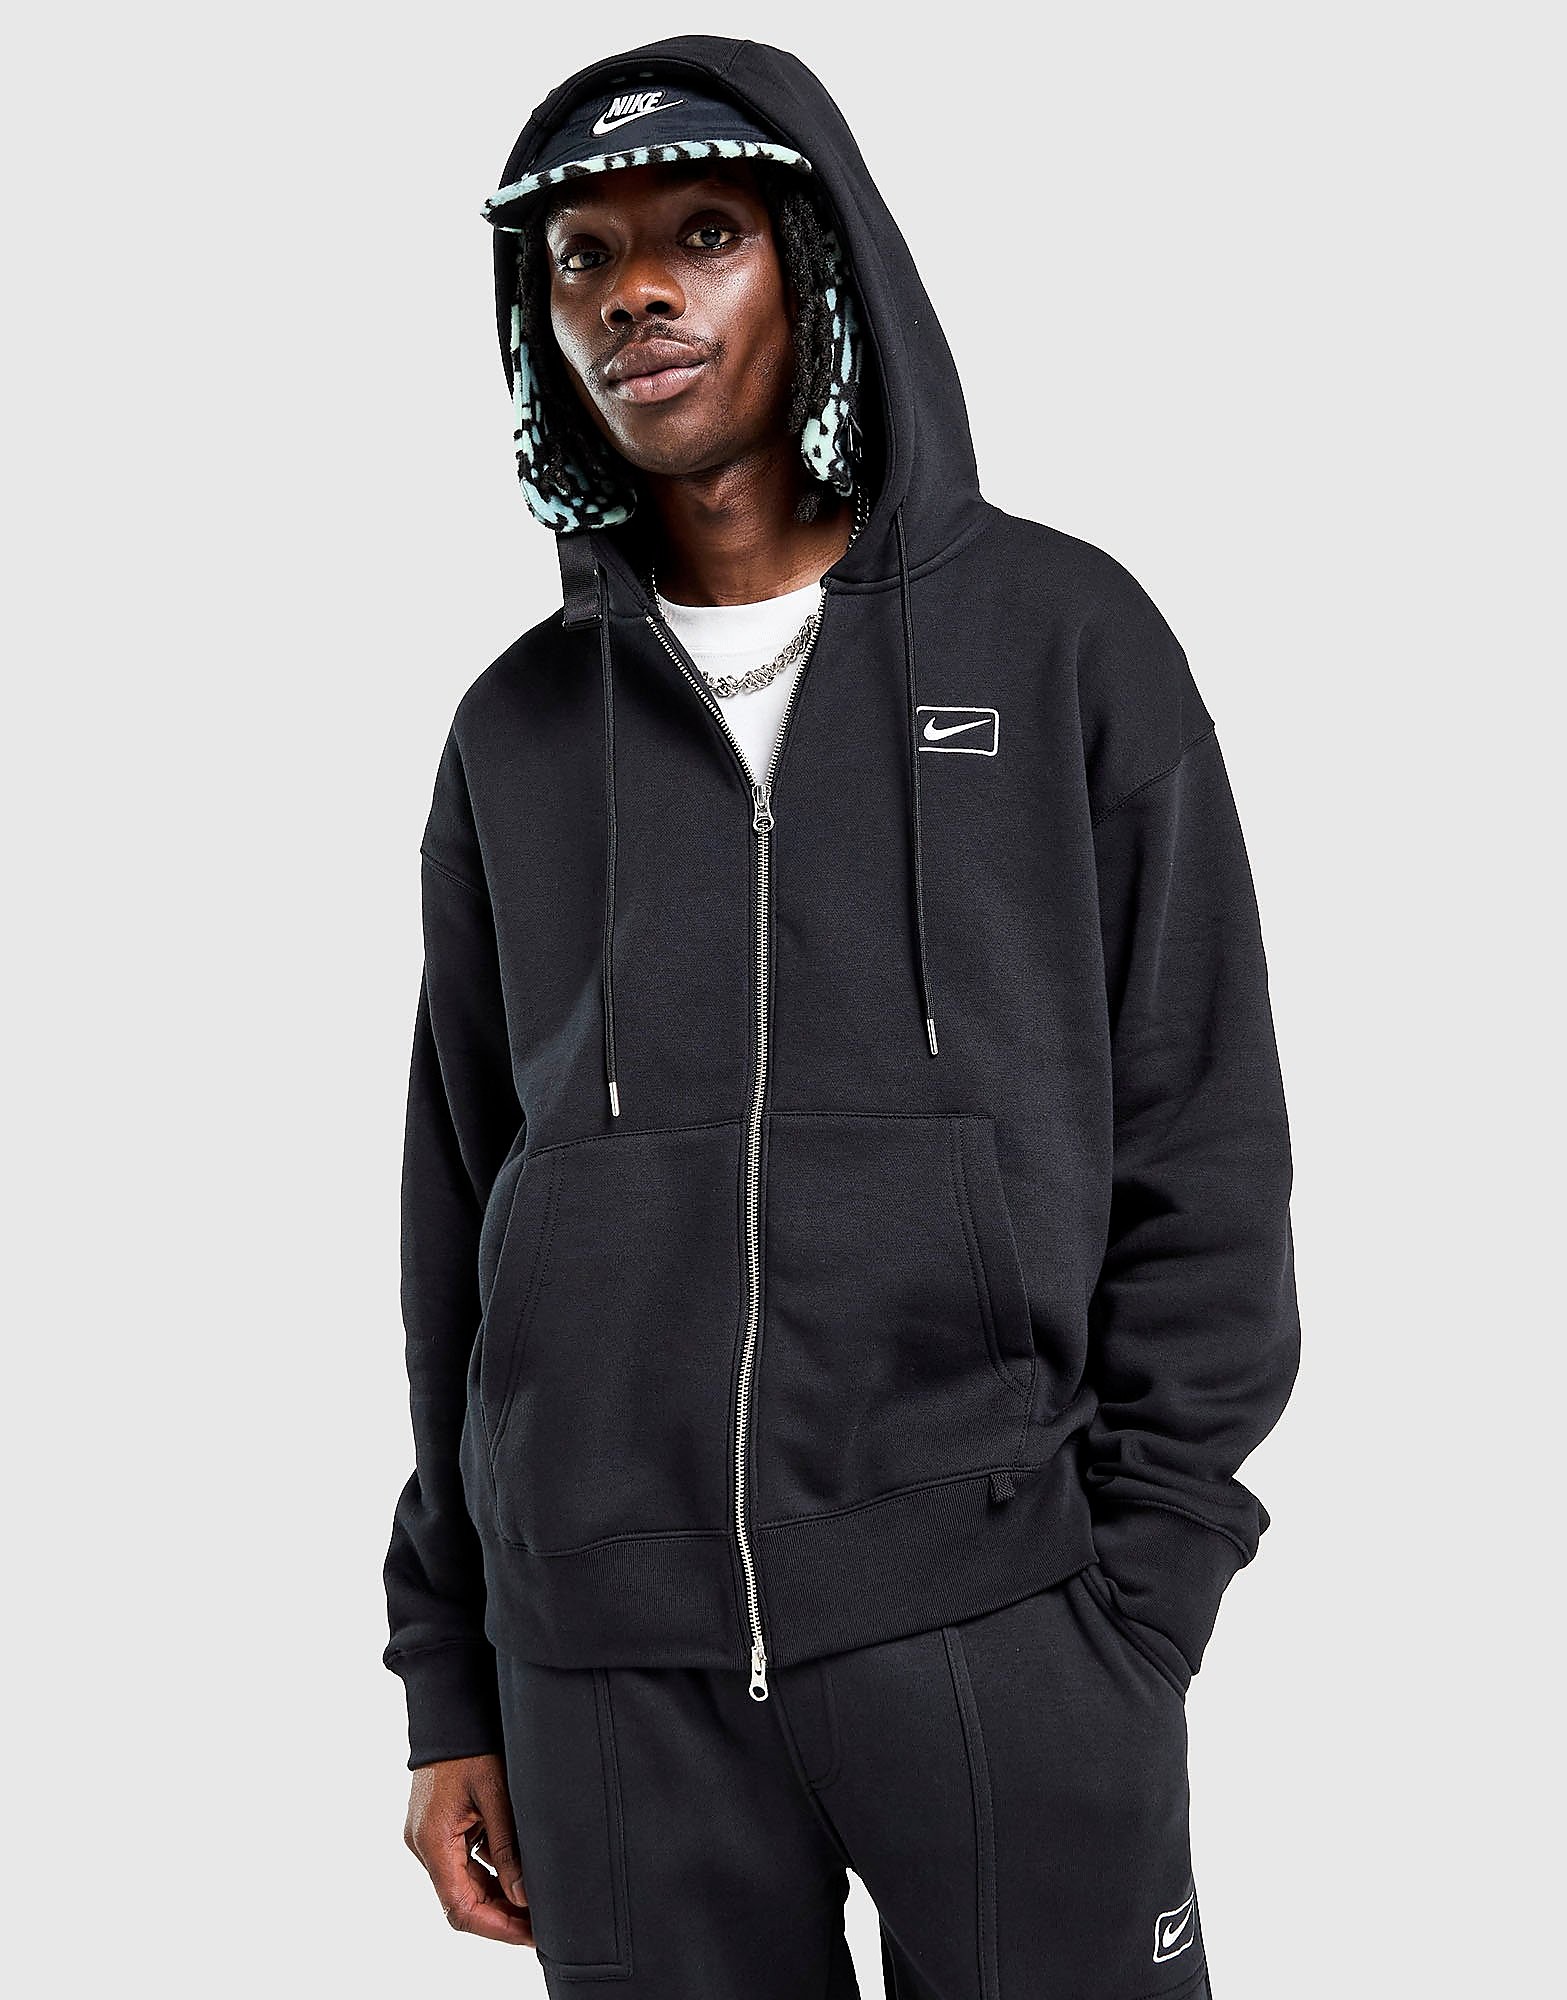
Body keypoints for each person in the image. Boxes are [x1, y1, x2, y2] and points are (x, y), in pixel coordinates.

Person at [382, 33, 1301, 1999]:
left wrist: (1140, 1599)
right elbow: (459, 1222)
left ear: (814, 264)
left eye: (699, 235)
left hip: (1002, 1617)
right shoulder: (516, 734)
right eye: (581, 258)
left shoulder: (1062, 643)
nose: (634, 293)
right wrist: (452, 1673)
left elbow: (1204, 1141)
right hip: (602, 1669)